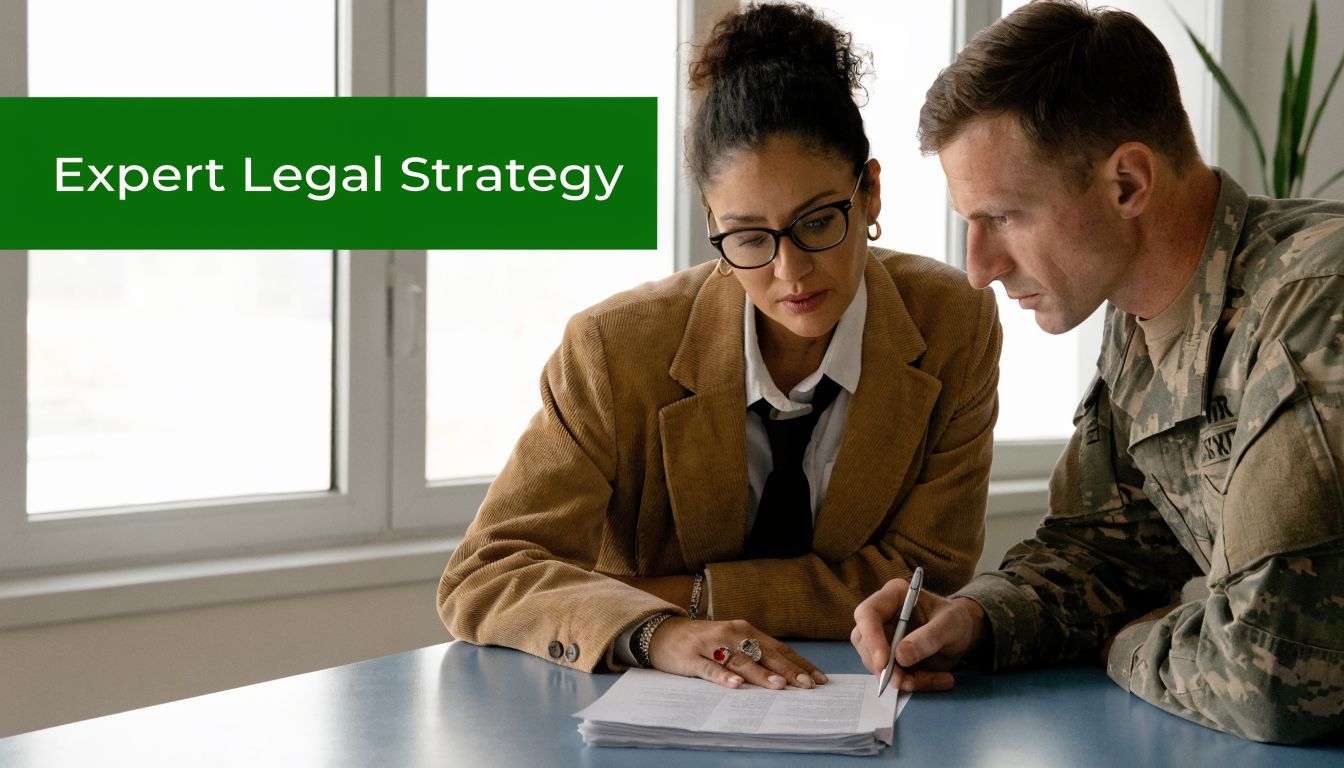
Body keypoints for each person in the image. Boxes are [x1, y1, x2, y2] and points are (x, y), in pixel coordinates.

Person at [438, 2, 1001, 692]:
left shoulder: (952, 321)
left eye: (818, 221)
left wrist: (691, 594)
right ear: (712, 225)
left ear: (872, 193)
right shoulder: (615, 350)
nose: (790, 271)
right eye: (749, 237)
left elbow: (924, 577)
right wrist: (658, 630)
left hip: (869, 700)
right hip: (650, 712)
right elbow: (486, 572)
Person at [851, 0, 1344, 744]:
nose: (978, 269)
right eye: (970, 224)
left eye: (1007, 217)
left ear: (1127, 184)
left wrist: (1124, 638)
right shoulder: (1136, 318)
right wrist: (976, 619)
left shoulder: (1315, 303)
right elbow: (1101, 550)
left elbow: (1275, 674)